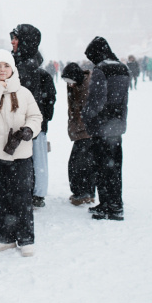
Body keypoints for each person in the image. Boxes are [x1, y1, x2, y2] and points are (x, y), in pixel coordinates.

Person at [0, 49, 42, 257]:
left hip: (19, 154)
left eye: (6, 66)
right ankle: (3, 237)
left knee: (21, 197)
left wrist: (30, 129)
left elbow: (36, 116)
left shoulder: (24, 93)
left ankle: (26, 239)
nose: (2, 70)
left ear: (12, 68)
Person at [82, 37, 130, 221]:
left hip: (102, 127)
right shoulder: (122, 67)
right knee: (115, 167)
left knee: (102, 167)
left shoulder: (101, 69)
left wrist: (86, 115)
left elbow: (97, 100)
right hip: (117, 126)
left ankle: (108, 205)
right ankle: (116, 203)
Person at [10, 24, 56, 208]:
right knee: (35, 159)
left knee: (33, 159)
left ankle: (33, 193)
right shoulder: (29, 68)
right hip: (31, 125)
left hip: (30, 126)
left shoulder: (29, 70)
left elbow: (47, 101)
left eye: (16, 38)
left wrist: (37, 121)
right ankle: (35, 192)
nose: (12, 42)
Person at [61, 62, 96, 206]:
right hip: (80, 129)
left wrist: (82, 125)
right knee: (83, 163)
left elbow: (88, 110)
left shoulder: (87, 86)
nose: (69, 84)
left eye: (70, 81)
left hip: (87, 130)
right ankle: (85, 192)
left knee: (78, 163)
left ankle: (82, 193)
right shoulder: (74, 84)